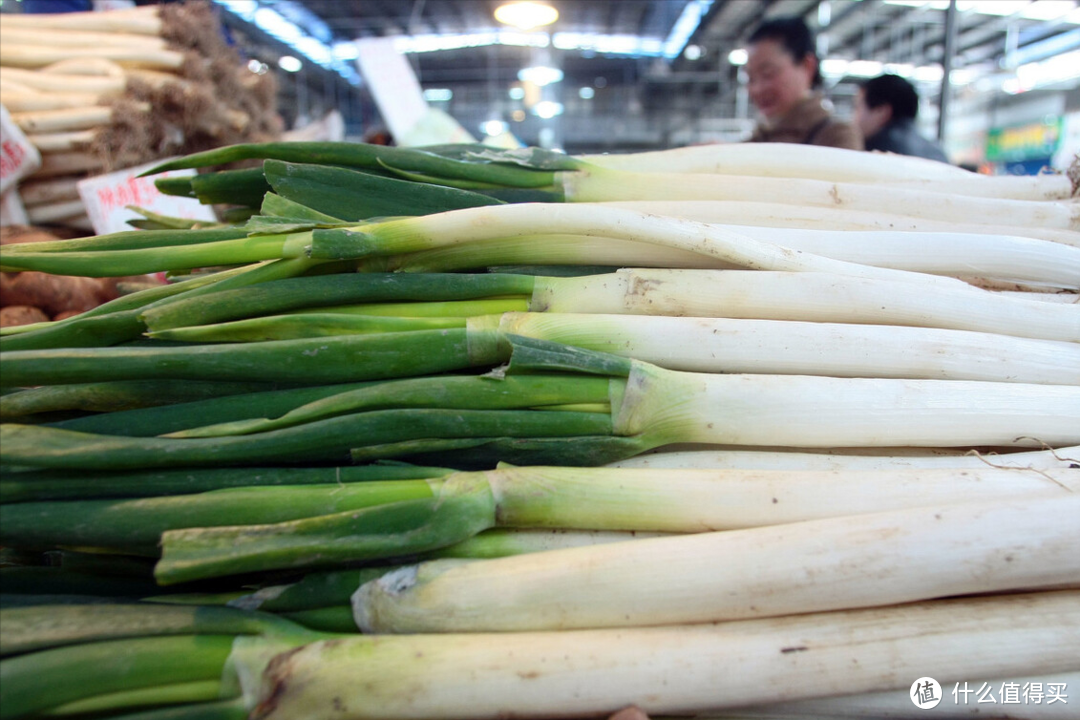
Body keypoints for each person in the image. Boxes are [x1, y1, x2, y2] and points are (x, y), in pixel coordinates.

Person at [745, 17, 862, 150]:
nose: (757, 89)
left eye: (768, 73)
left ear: (807, 66)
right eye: (751, 78)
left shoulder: (835, 136)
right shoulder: (758, 138)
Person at [854, 74, 949, 163]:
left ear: (881, 111)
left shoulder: (874, 153)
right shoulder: (938, 153)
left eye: (857, 107)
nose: (853, 117)